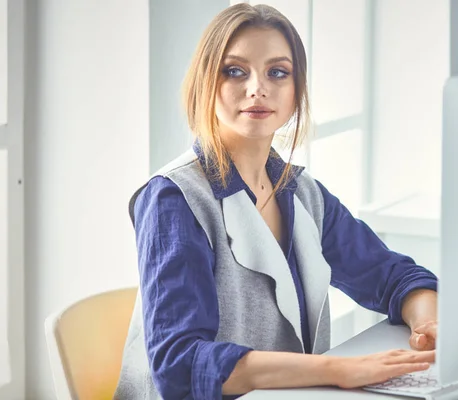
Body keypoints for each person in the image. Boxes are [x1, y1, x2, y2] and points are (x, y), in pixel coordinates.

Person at [114, 3, 439, 400]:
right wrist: (336, 369)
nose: (257, 88)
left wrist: (427, 324)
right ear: (205, 82)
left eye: (277, 72)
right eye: (235, 71)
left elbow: (393, 277)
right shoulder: (173, 199)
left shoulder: (301, 191)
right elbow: (181, 367)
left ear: (296, 89)